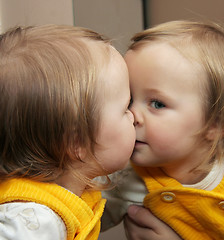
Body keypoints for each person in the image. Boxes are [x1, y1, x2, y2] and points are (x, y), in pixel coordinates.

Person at [101, 20, 224, 239]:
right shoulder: (127, 181)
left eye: (157, 104)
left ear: (215, 124)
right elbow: (74, 219)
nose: (131, 115)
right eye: (128, 100)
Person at [0, 24, 135, 240]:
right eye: (125, 108)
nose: (134, 116)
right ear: (77, 142)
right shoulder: (33, 221)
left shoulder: (65, 192)